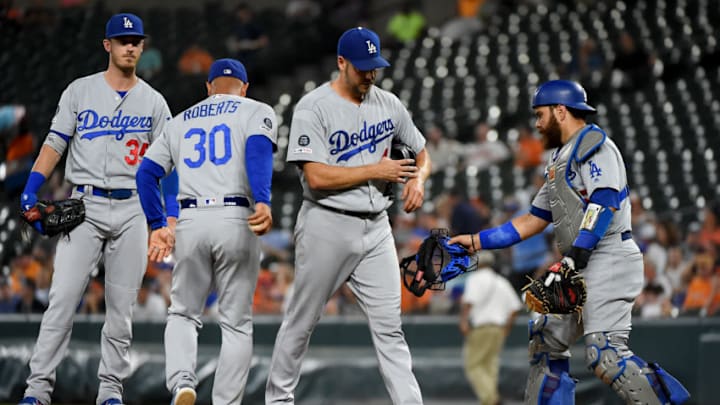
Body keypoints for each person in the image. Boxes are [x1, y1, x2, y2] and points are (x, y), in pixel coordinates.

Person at [449, 80, 690, 404]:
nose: (536, 123)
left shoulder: (595, 144)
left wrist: (578, 252)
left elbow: (604, 199)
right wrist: (477, 241)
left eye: (540, 114)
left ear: (560, 111)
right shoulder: (559, 161)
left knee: (605, 354)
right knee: (546, 338)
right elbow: (531, 220)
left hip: (608, 255)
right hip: (579, 262)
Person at [265, 27, 431, 405]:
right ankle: (277, 401)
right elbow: (316, 176)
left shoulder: (388, 103)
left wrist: (418, 178)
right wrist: (378, 170)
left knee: (391, 329)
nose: (370, 74)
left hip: (376, 228)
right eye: (362, 68)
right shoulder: (313, 107)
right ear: (342, 63)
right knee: (302, 321)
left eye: (375, 67)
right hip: (327, 222)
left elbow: (422, 152)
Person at [17, 13, 177, 405]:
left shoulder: (155, 102)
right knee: (62, 299)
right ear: (107, 45)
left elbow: (171, 165)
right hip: (84, 205)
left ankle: (110, 392)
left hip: (135, 209)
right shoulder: (79, 91)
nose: (130, 46)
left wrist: (168, 217)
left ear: (142, 46)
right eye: (122, 40)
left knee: (121, 309)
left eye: (136, 41)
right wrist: (31, 188)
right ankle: (37, 390)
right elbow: (55, 143)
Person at [136, 58, 277, 405]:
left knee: (183, 312)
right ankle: (225, 402)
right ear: (244, 87)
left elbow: (146, 173)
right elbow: (258, 152)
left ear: (208, 87)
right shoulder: (256, 109)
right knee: (236, 324)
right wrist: (263, 200)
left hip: (191, 219)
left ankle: (183, 383)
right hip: (236, 216)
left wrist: (158, 223)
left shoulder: (180, 120)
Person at [459, 251, 521, 405]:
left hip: (481, 327)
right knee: (490, 365)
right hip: (498, 328)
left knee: (473, 365)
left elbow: (468, 302)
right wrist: (507, 328)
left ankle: (491, 399)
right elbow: (515, 308)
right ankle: (490, 399)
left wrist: (464, 321)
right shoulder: (501, 281)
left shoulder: (475, 279)